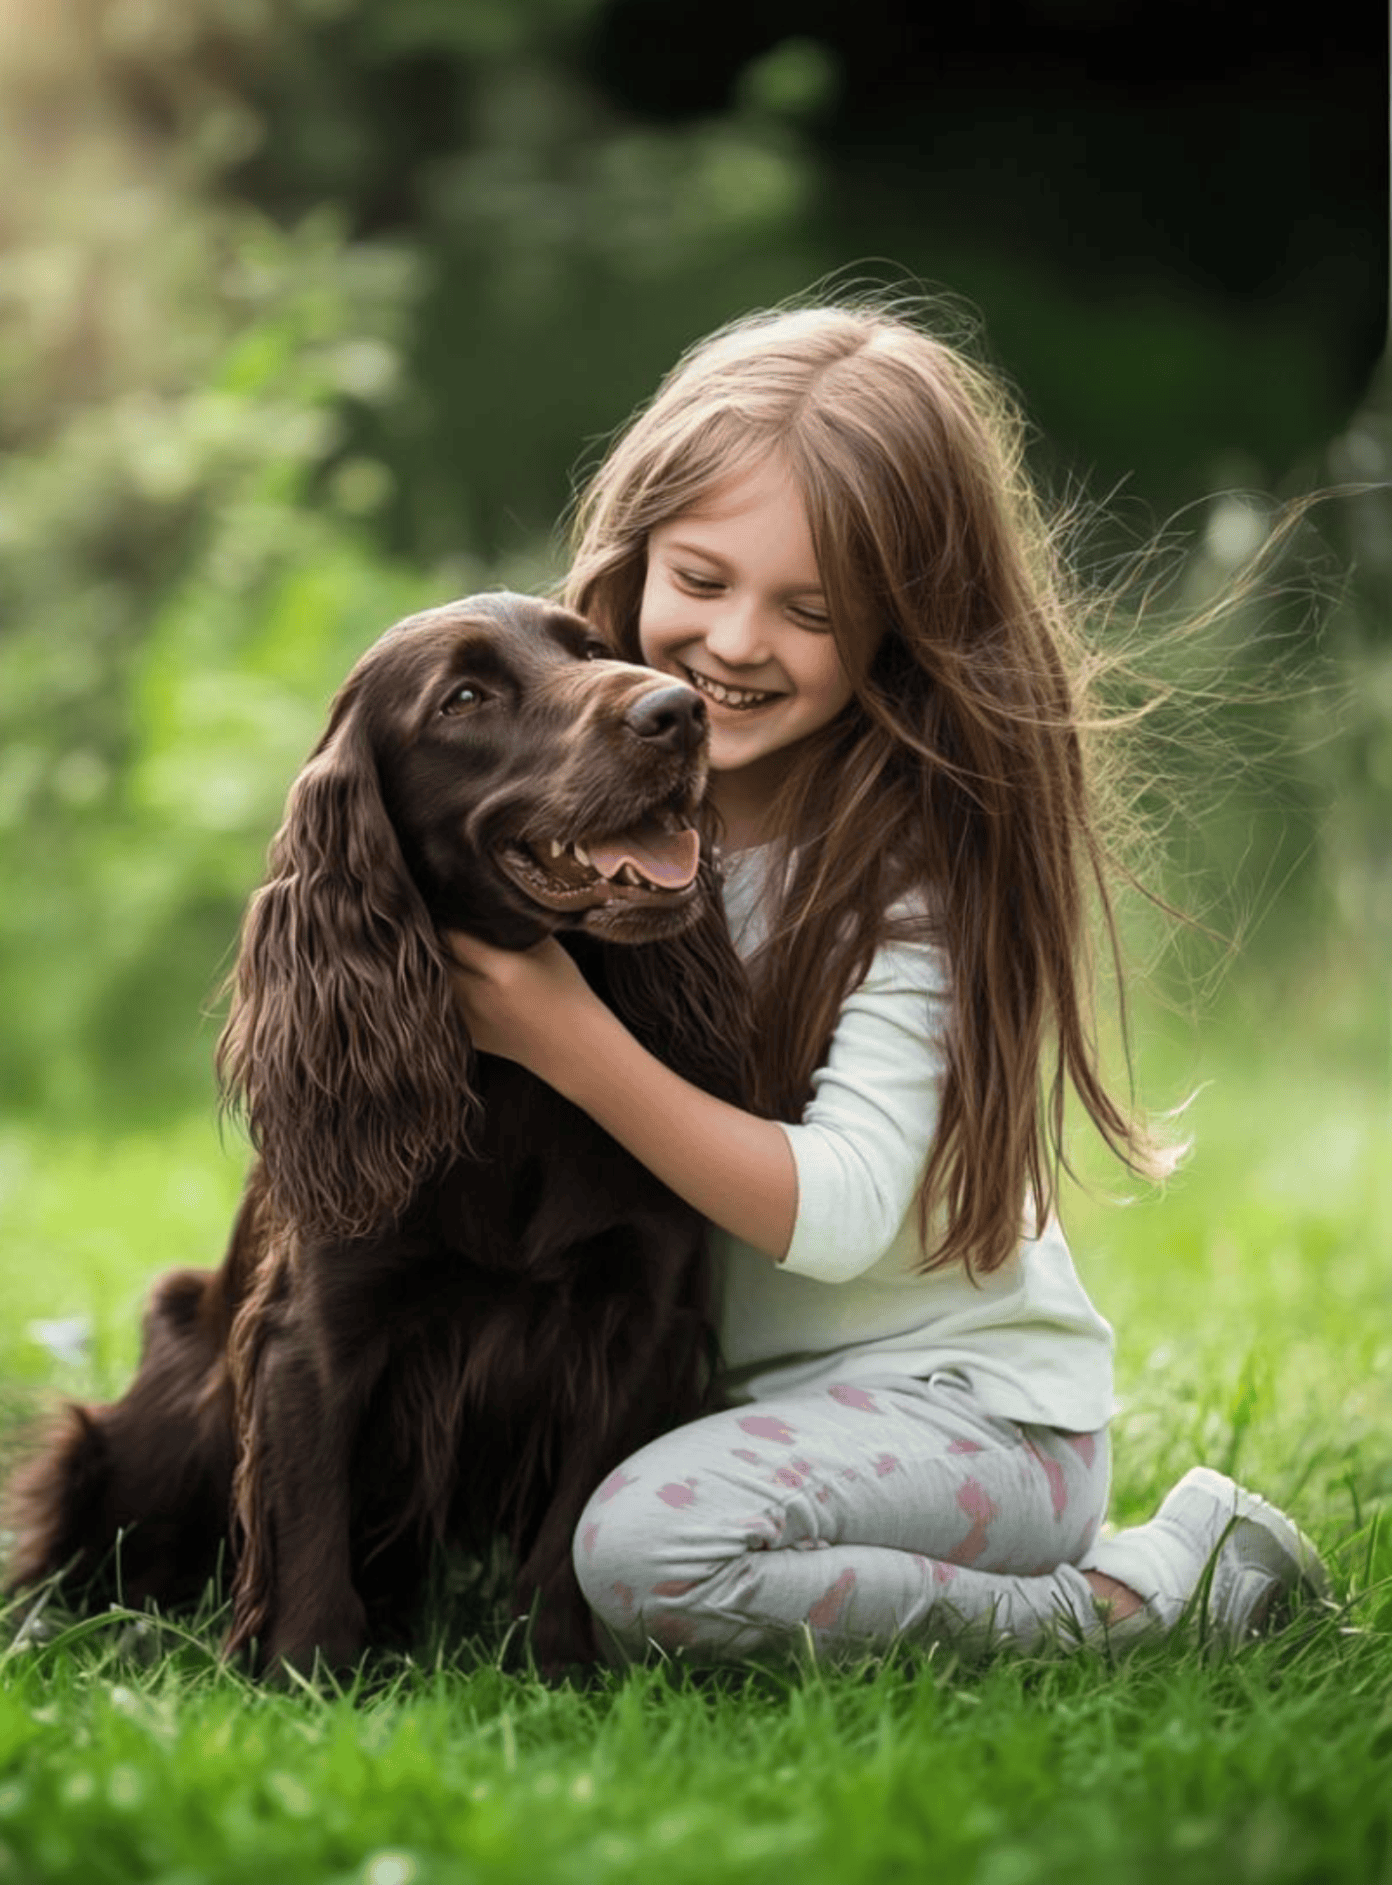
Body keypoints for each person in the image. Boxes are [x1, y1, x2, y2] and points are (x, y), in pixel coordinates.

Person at [447, 300, 1330, 1663]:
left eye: (810, 611)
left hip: (968, 1412)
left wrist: (567, 1037)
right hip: (735, 1406)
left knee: (640, 1554)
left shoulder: (912, 877)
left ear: (898, 635)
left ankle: (1147, 1595)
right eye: (698, 578)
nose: (735, 642)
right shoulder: (588, 824)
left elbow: (844, 1210)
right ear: (624, 562)